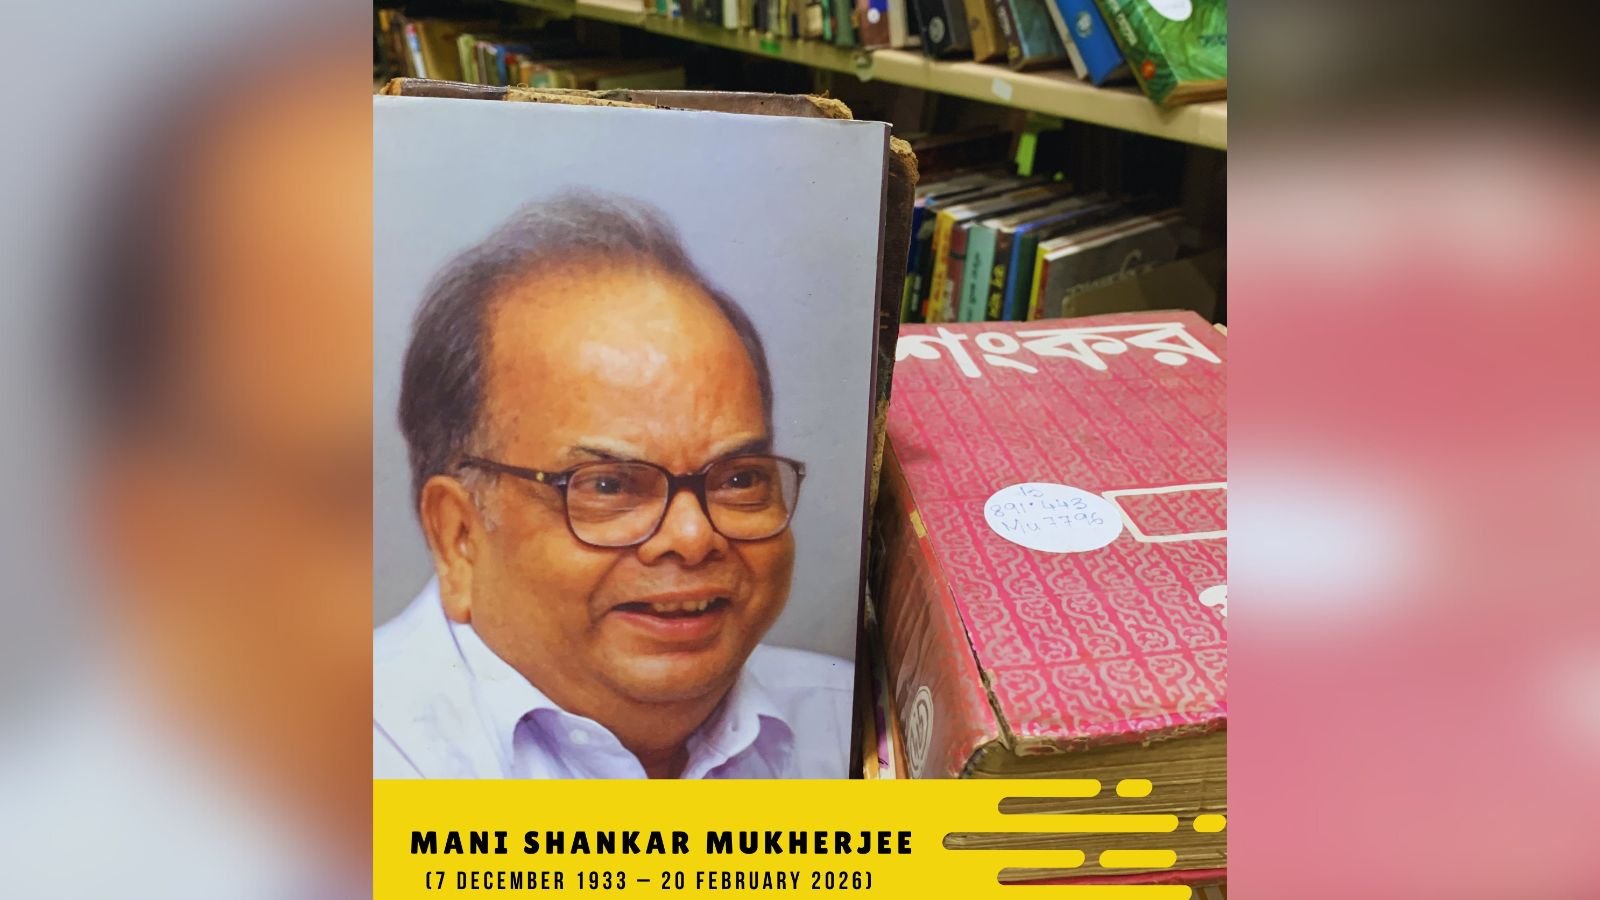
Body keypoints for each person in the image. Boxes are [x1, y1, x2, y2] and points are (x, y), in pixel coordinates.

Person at [374, 191, 853, 779]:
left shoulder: (860, 730)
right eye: (608, 487)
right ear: (459, 537)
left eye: (738, 478)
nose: (692, 537)